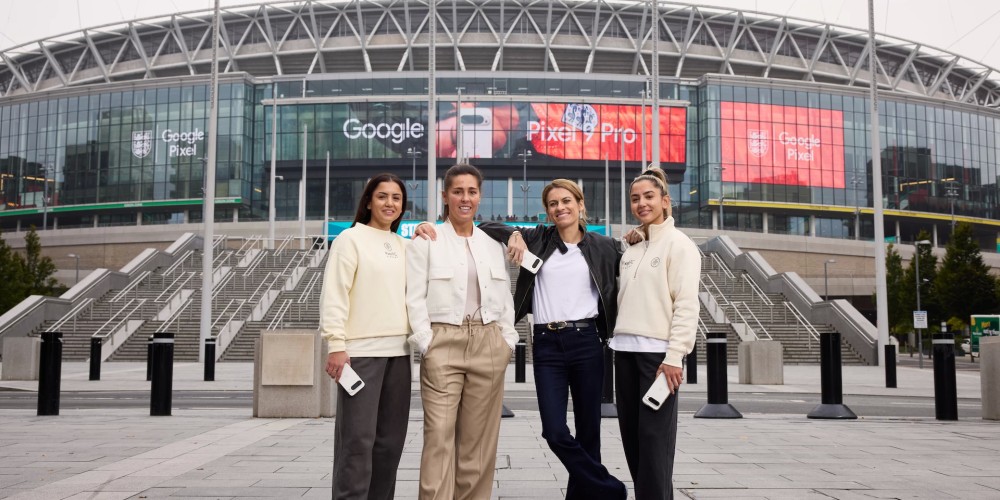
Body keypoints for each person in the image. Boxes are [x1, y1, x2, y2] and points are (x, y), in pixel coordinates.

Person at [480, 179, 628, 500]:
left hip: (587, 341)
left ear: (580, 204)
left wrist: (642, 236)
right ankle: (608, 488)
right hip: (547, 345)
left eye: (566, 201)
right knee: (555, 431)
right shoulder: (538, 238)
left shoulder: (602, 246)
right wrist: (516, 234)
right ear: (547, 211)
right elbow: (485, 225)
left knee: (589, 434)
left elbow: (631, 263)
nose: (560, 207)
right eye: (552, 204)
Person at [405, 163, 518, 500]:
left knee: (478, 443)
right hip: (444, 342)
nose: (465, 198)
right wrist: (428, 343)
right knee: (439, 434)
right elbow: (413, 299)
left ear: (479, 197)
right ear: (445, 196)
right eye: (458, 191)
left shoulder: (492, 243)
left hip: (488, 343)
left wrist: (506, 342)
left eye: (471, 191)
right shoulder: (427, 240)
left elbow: (504, 299)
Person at [319, 173, 411, 500]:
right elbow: (334, 295)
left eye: (396, 198)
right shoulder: (350, 239)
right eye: (383, 196)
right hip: (360, 356)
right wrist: (336, 346)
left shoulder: (406, 246)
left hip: (400, 354)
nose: (390, 203)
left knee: (389, 445)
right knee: (357, 441)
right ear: (369, 201)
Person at [612, 167, 699, 500]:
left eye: (648, 197)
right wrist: (638, 236)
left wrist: (675, 356)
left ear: (665, 200)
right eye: (635, 198)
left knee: (654, 442)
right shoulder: (633, 246)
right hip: (624, 352)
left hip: (658, 359)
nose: (641, 203)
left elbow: (686, 305)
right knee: (633, 440)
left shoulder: (680, 246)